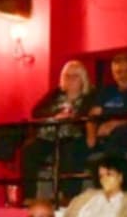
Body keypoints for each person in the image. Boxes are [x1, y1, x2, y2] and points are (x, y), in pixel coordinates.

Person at [21, 60, 95, 200]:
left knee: (68, 151)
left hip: (73, 135)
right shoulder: (56, 94)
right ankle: (29, 197)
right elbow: (36, 111)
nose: (70, 79)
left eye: (75, 76)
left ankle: (67, 196)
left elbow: (87, 114)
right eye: (67, 76)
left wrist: (71, 116)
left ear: (82, 79)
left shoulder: (89, 96)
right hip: (50, 135)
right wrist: (56, 114)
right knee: (29, 150)